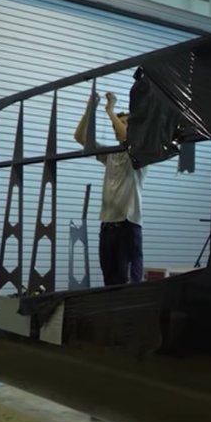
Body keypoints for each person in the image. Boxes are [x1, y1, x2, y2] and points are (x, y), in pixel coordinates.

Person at [74, 91, 147, 286]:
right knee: (110, 281)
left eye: (123, 123)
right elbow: (81, 138)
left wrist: (110, 109)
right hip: (107, 226)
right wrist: (91, 108)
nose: (118, 126)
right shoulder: (111, 155)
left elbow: (128, 140)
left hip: (128, 226)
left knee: (128, 284)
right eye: (117, 122)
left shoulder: (140, 153)